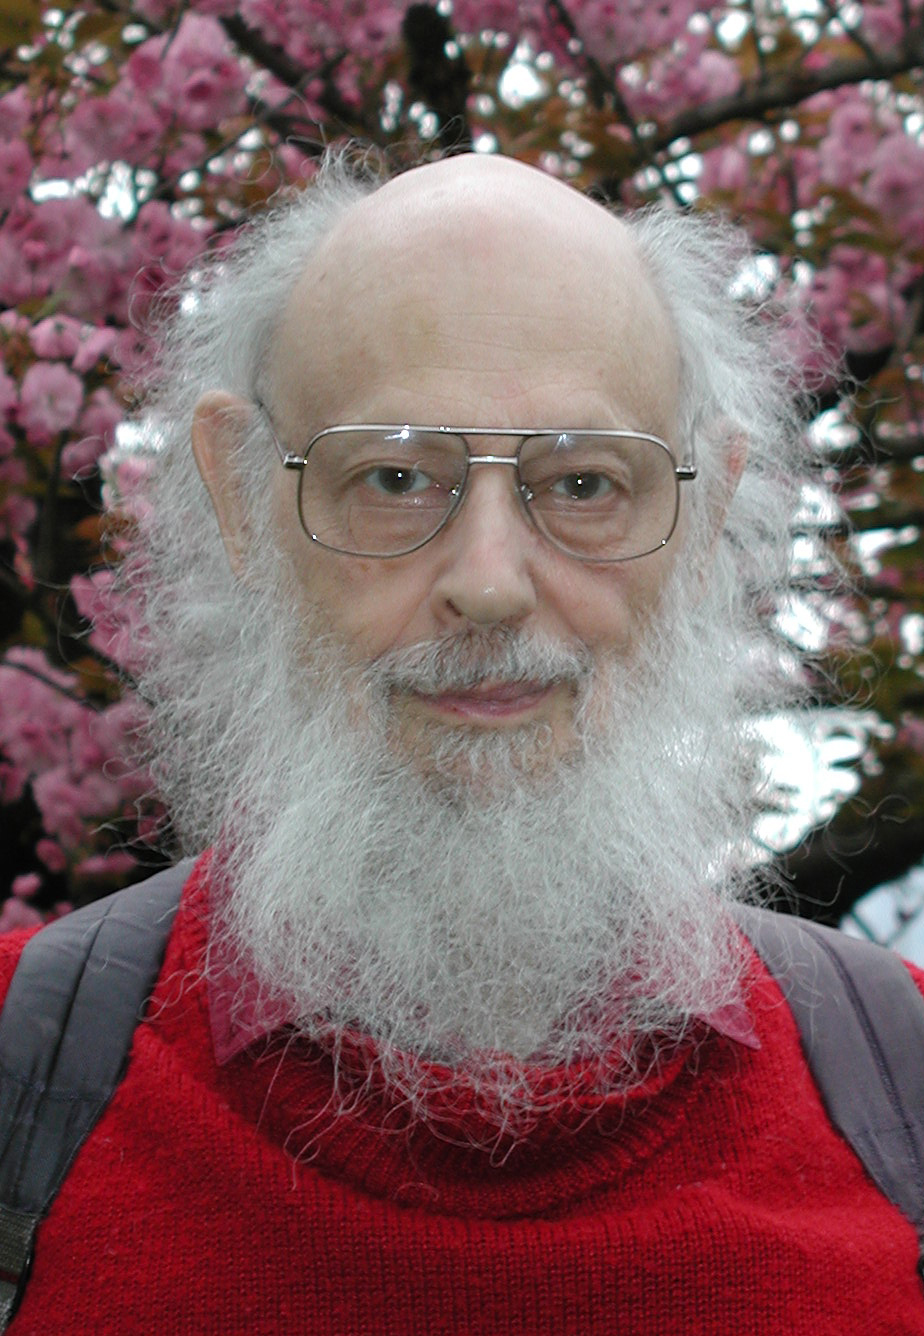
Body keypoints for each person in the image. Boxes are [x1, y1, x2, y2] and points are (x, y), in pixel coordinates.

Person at [2, 148, 922, 1334]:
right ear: (240, 497)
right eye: (393, 476)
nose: (489, 584)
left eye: (585, 485)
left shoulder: (902, 1078)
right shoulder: (26, 1064)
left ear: (701, 515)